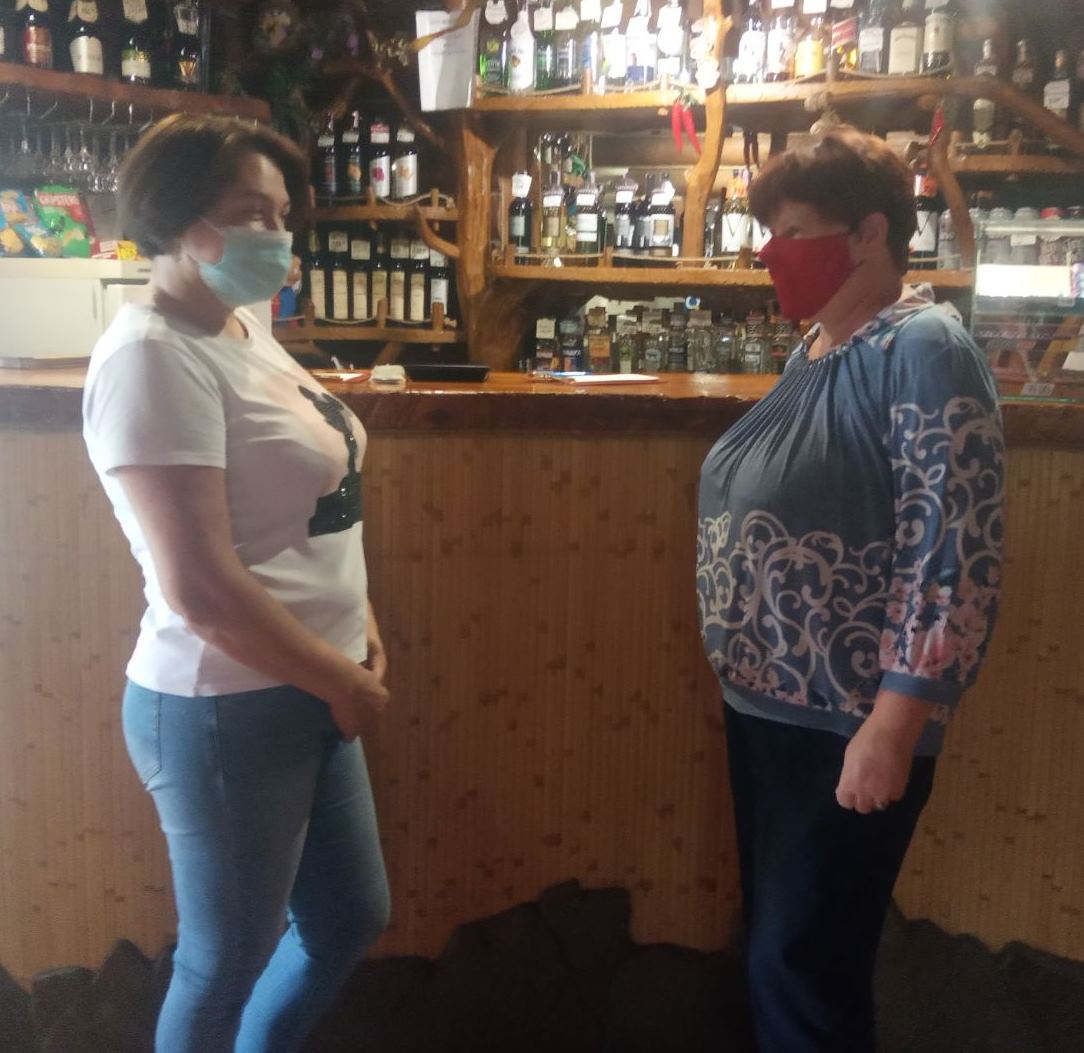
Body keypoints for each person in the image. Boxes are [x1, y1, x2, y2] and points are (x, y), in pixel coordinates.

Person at [82, 114, 391, 1053]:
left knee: (348, 917)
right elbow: (201, 589)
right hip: (227, 704)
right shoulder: (150, 356)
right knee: (224, 962)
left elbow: (311, 503)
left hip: (312, 680)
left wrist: (360, 623)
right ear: (177, 216)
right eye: (252, 212)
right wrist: (342, 679)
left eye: (283, 214)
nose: (278, 236)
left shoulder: (241, 325)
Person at [696, 127, 1004, 1052]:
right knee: (785, 957)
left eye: (791, 230)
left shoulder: (924, 345)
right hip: (770, 712)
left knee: (802, 967)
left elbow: (955, 544)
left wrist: (895, 724)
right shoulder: (820, 347)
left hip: (846, 720)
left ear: (869, 234)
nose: (769, 252)